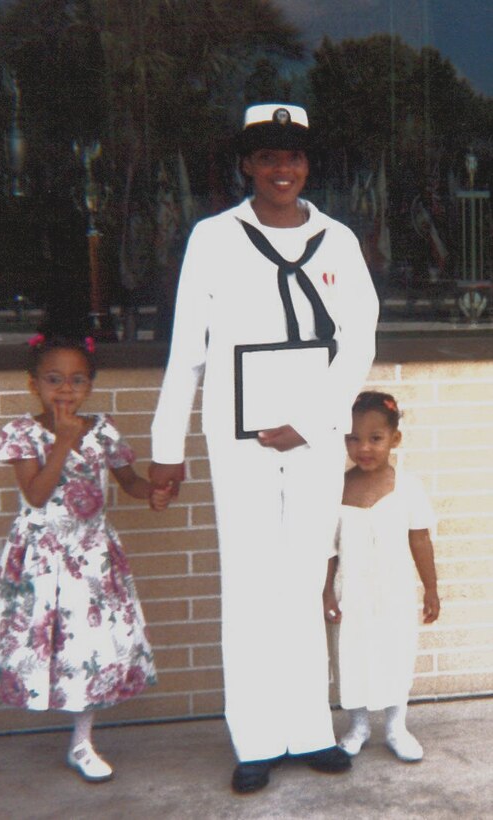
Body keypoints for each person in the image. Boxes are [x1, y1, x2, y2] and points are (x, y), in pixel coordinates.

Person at [149, 102, 379, 793]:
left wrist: (310, 420)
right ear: (246, 163)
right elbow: (188, 348)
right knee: (251, 581)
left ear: (308, 164)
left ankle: (308, 727)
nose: (283, 168)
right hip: (238, 434)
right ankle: (253, 737)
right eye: (268, 155)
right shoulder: (214, 238)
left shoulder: (337, 239)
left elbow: (358, 338)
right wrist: (168, 445)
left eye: (294, 155)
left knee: (305, 577)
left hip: (312, 437)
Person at [0, 331, 172, 782]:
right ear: (34, 384)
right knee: (52, 642)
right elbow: (35, 494)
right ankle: (70, 729)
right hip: (42, 556)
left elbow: (127, 481)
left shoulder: (102, 430)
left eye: (76, 381)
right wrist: (64, 442)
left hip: (91, 554)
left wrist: (152, 493)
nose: (65, 390)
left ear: (89, 385)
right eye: (53, 380)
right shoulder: (21, 434)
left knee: (89, 644)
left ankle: (83, 741)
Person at [323, 391, 440, 763]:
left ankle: (395, 726)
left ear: (395, 439)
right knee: (350, 655)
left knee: (395, 653)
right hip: (350, 591)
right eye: (354, 438)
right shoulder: (335, 489)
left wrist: (431, 589)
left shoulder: (408, 487)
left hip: (395, 591)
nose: (364, 448)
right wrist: (327, 593)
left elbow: (420, 538)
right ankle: (357, 726)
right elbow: (329, 550)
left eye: (375, 438)